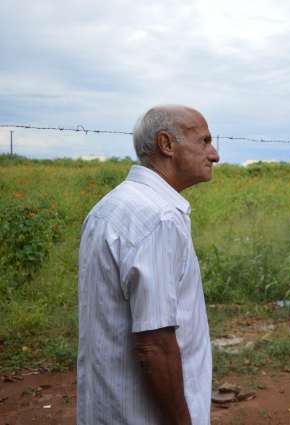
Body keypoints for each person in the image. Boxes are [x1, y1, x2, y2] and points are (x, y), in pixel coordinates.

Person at [77, 105, 220, 425]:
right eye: (205, 141)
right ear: (167, 145)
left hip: (107, 409)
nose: (214, 155)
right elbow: (154, 345)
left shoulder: (108, 207)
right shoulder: (159, 218)